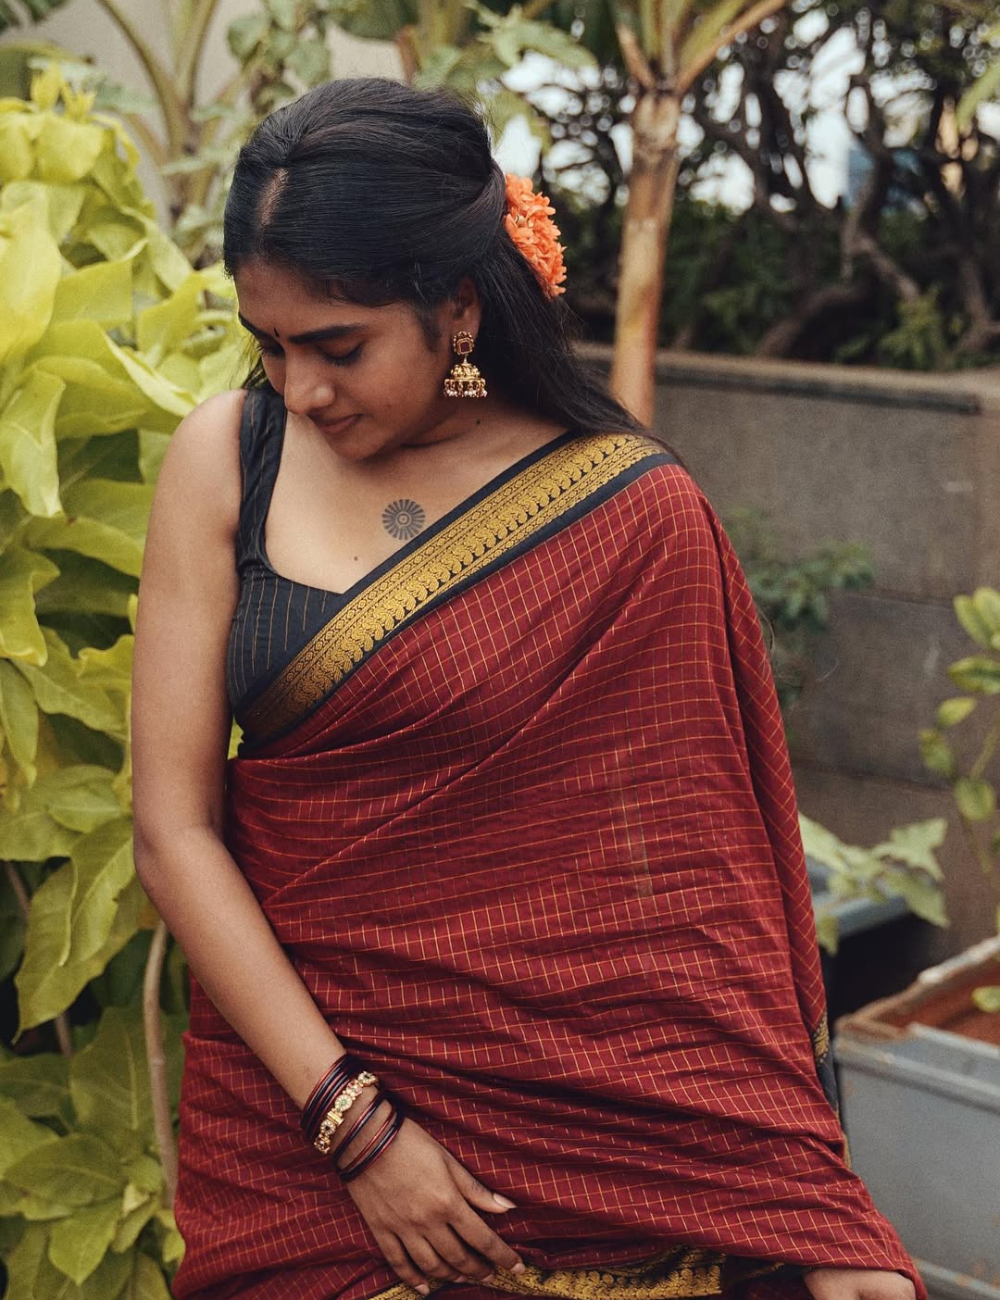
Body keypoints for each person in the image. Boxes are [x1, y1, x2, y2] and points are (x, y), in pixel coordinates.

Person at [131, 76, 923, 1300]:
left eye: (338, 346)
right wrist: (359, 1130)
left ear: (455, 307)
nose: (300, 389)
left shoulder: (630, 515)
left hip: (596, 1152)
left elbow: (701, 903)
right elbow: (175, 832)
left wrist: (799, 1197)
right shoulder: (226, 460)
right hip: (302, 1140)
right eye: (269, 343)